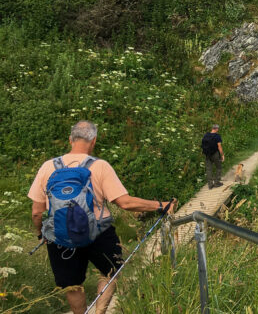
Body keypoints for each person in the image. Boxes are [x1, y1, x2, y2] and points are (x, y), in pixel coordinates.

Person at [27, 120, 175, 314]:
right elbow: (125, 203)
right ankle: (100, 311)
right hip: (99, 233)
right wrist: (160, 205)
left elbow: (37, 211)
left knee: (72, 284)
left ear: (70, 139)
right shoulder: (100, 166)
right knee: (111, 273)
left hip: (60, 237)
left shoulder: (48, 167)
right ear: (94, 141)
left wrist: (41, 234)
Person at [201, 124, 224, 189]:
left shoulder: (206, 135)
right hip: (215, 154)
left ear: (212, 128)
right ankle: (216, 183)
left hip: (207, 154)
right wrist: (222, 155)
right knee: (219, 167)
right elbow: (219, 146)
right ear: (216, 129)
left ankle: (210, 185)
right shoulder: (217, 136)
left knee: (209, 169)